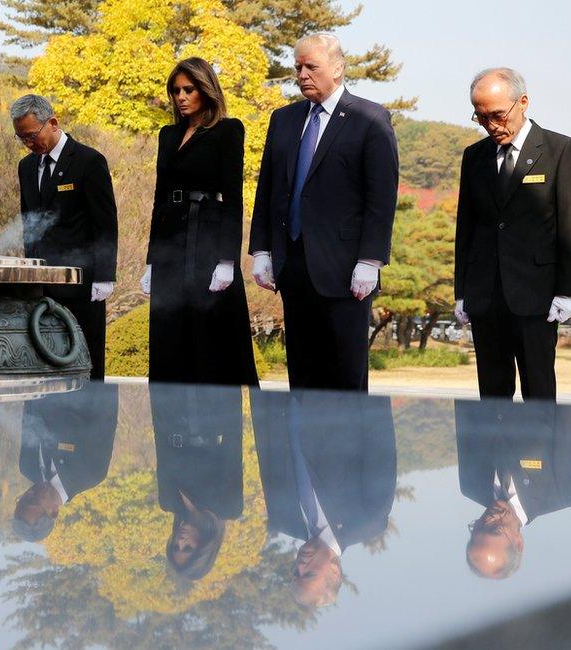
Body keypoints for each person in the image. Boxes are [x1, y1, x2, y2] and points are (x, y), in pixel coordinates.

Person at [249, 34, 399, 391]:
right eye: (297, 67)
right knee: (302, 375)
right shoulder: (283, 119)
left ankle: (347, 448)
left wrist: (371, 260)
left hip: (346, 271)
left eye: (311, 67)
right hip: (293, 266)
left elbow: (381, 197)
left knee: (345, 376)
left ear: (337, 68)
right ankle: (304, 448)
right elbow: (268, 189)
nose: (302, 74)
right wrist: (261, 250)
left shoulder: (369, 118)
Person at [454, 68, 571, 401]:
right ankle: (491, 456)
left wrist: (569, 292)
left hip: (537, 298)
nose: (491, 125)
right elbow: (466, 228)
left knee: (538, 394)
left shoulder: (561, 150)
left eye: (497, 115)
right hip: (485, 295)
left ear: (522, 102)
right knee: (491, 399)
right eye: (480, 117)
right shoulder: (474, 157)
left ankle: (539, 456)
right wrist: (461, 291)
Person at [140, 58, 258, 386]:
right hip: (170, 245)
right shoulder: (167, 134)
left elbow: (233, 199)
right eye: (176, 90)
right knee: (169, 332)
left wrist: (227, 260)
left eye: (188, 89)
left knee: (209, 334)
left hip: (206, 242)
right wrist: (151, 261)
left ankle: (212, 426)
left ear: (206, 89)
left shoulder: (227, 130)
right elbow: (158, 200)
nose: (181, 96)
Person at [252, 389, 396, 606]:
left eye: (296, 573)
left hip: (278, 385)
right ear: (334, 571)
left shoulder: (283, 519)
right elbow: (379, 433)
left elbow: (265, 441)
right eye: (308, 574)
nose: (300, 566)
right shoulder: (370, 518)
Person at [11, 94, 118, 381]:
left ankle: (91, 423)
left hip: (82, 283)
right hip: (42, 286)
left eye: (32, 135)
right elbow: (29, 222)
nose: (28, 144)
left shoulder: (88, 161)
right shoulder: (26, 167)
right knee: (44, 361)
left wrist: (105, 275)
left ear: (53, 123)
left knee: (85, 358)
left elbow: (105, 222)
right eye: (21, 138)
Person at [455, 399, 571, 579]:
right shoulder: (558, 492)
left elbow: (464, 406)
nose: (488, 518)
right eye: (494, 530)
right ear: (518, 543)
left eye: (478, 527)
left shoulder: (470, 484)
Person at [151, 384, 244, 581]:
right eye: (188, 548)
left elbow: (160, 440)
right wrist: (231, 391)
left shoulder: (168, 502)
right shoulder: (228, 507)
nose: (180, 540)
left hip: (171, 402)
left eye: (176, 546)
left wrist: (157, 392)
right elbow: (233, 444)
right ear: (204, 547)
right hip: (214, 404)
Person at [12, 383, 119, 542]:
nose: (29, 493)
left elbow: (29, 410)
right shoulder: (90, 474)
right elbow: (105, 415)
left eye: (22, 499)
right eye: (32, 501)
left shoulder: (27, 466)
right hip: (84, 376)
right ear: (53, 512)